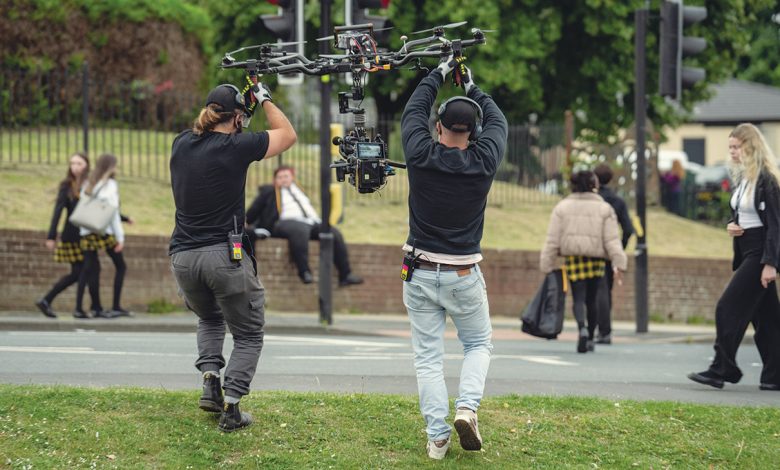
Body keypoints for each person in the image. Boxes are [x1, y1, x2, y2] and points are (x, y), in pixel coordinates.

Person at [169, 82, 296, 432]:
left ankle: (211, 380)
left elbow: (219, 134)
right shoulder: (236, 147)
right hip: (222, 257)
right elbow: (286, 134)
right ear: (238, 120)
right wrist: (265, 97)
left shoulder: (181, 144)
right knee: (249, 334)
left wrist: (244, 109)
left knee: (209, 318)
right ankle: (232, 407)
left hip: (182, 256)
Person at [400, 56, 507, 459]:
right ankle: (467, 407)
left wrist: (440, 72)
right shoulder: (485, 161)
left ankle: (437, 437)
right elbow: (499, 120)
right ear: (475, 132)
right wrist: (471, 84)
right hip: (463, 272)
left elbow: (414, 108)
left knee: (428, 356)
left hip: (419, 269)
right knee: (478, 343)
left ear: (438, 127)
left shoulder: (420, 153)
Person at [688, 123, 780, 391]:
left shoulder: (767, 180)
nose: (732, 152)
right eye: (729, 147)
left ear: (750, 147)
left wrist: (771, 263)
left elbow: (775, 225)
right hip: (747, 249)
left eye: (736, 147)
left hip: (760, 254)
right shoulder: (744, 180)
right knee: (768, 320)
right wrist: (732, 224)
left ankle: (721, 368)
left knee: (727, 308)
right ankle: (775, 375)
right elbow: (744, 216)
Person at [539, 169, 628, 354]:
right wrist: (618, 262)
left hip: (574, 258)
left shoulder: (562, 207)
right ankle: (592, 336)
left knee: (578, 297)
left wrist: (547, 263)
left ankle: (582, 329)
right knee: (592, 298)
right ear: (593, 185)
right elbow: (612, 240)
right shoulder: (604, 208)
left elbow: (552, 238)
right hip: (596, 260)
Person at [245, 165, 364, 286]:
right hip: (284, 222)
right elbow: (254, 209)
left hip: (311, 222)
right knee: (299, 230)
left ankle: (345, 274)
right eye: (279, 177)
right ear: (275, 180)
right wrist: (246, 222)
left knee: (333, 232)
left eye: (286, 176)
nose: (283, 179)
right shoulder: (269, 191)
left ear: (292, 177)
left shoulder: (298, 190)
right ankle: (304, 271)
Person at [35, 152, 90, 318]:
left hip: (87, 235)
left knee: (81, 272)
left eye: (78, 163)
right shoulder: (67, 185)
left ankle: (50, 301)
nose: (75, 167)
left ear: (86, 165)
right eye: (72, 163)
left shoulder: (90, 184)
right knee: (81, 272)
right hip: (72, 235)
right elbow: (57, 211)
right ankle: (69, 306)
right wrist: (51, 236)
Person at [74, 153, 128, 319]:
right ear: (111, 167)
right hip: (103, 231)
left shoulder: (89, 182)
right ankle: (115, 306)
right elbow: (112, 212)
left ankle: (93, 307)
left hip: (87, 230)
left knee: (90, 269)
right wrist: (120, 237)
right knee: (120, 266)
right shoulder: (110, 185)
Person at [593, 163, 634, 344]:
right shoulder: (618, 201)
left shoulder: (591, 199)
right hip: (608, 251)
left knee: (588, 291)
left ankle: (590, 328)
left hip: (588, 250)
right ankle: (604, 331)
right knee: (604, 290)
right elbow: (628, 229)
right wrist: (619, 248)